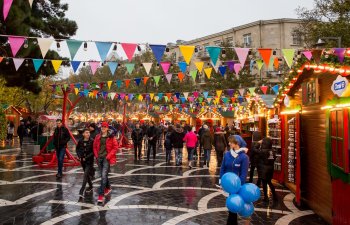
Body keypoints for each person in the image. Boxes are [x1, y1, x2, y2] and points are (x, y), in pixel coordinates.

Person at [220, 135, 249, 225]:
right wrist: (221, 180)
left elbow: (244, 174)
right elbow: (222, 168)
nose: (228, 143)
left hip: (236, 186)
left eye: (231, 142)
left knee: (233, 206)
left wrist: (238, 186)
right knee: (231, 205)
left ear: (237, 144)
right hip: (227, 184)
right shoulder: (227, 154)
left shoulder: (244, 157)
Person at [93, 121, 118, 204]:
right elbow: (94, 147)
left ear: (107, 128)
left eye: (104, 127)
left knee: (103, 176)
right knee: (104, 175)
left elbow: (115, 147)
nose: (103, 128)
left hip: (106, 159)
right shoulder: (97, 136)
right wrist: (96, 156)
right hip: (99, 158)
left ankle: (101, 194)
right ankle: (108, 187)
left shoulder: (111, 137)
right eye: (102, 127)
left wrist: (108, 156)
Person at [76, 129, 94, 198]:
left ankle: (81, 191)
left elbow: (93, 152)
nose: (88, 134)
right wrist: (79, 156)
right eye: (86, 133)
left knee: (85, 175)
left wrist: (86, 157)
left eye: (89, 132)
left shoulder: (92, 141)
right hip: (82, 161)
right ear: (83, 134)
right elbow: (77, 149)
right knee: (86, 175)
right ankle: (91, 186)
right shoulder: (80, 141)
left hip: (89, 161)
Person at [259, 137, 277, 202]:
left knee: (264, 183)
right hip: (271, 168)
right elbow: (274, 158)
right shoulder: (272, 151)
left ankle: (266, 197)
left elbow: (256, 151)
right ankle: (275, 196)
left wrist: (258, 143)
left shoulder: (263, 151)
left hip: (264, 169)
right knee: (269, 182)